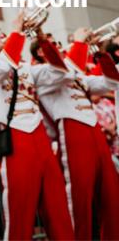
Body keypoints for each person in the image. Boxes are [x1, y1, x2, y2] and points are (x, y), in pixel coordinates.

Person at [0, 14, 74, 241]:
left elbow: (61, 72)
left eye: (2, 32)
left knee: (57, 205)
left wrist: (40, 38)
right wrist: (17, 31)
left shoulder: (26, 68)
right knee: (20, 209)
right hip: (15, 136)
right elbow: (0, 70)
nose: (2, 34)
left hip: (39, 135)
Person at [36, 27, 119, 240]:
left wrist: (100, 52)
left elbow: (112, 83)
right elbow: (63, 73)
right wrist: (80, 44)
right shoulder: (42, 75)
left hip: (94, 130)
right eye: (52, 45)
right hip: (71, 131)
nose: (60, 48)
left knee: (111, 194)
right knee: (79, 197)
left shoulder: (76, 73)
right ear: (41, 53)